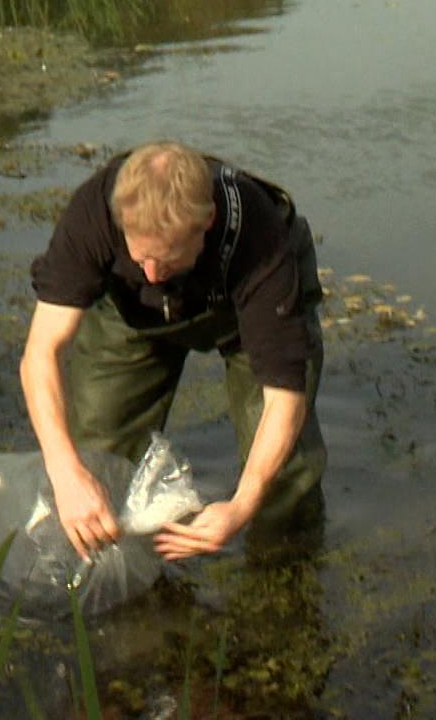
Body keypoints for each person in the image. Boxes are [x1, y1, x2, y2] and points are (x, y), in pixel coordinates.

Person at [20, 141, 326, 564]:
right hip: (132, 315)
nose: (150, 273)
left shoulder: (260, 240)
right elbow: (42, 352)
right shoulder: (92, 215)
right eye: (139, 255)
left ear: (207, 222)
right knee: (97, 456)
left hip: (243, 308)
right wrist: (65, 470)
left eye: (164, 260)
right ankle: (104, 584)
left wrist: (241, 505)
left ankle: (283, 581)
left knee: (284, 474)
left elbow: (284, 398)